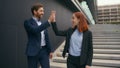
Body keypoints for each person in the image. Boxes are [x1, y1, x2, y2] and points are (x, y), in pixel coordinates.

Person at [24, 3, 54, 68]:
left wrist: (50, 50)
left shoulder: (42, 23)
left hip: (44, 51)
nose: (43, 13)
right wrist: (48, 21)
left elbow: (46, 38)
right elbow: (35, 30)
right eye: (41, 11)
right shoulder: (27, 22)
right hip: (33, 51)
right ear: (35, 11)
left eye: (43, 11)